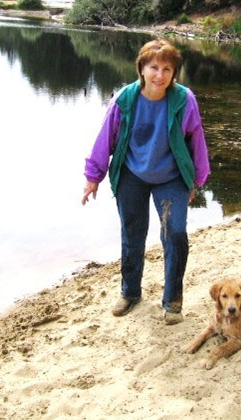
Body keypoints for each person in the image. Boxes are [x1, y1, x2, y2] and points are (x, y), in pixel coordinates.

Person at [82, 39, 210, 325]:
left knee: (175, 234)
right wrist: (93, 177)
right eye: (153, 67)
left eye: (167, 69)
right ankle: (130, 293)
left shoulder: (183, 99)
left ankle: (172, 302)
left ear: (174, 72)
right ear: (141, 68)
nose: (159, 75)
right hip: (132, 175)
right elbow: (107, 138)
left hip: (171, 177)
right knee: (132, 233)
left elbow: (196, 139)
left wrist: (196, 179)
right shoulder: (125, 99)